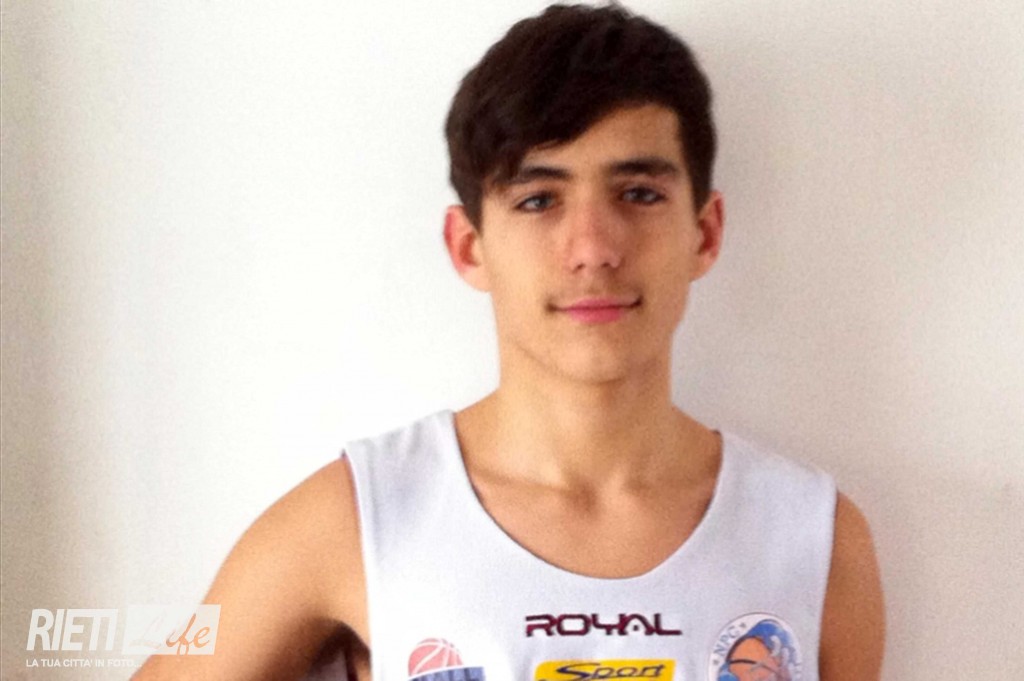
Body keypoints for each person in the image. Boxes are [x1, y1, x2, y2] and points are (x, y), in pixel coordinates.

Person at [135, 4, 885, 680]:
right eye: (538, 199)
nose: (593, 248)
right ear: (469, 247)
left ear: (705, 232)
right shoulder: (357, 519)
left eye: (639, 193)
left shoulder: (815, 539)